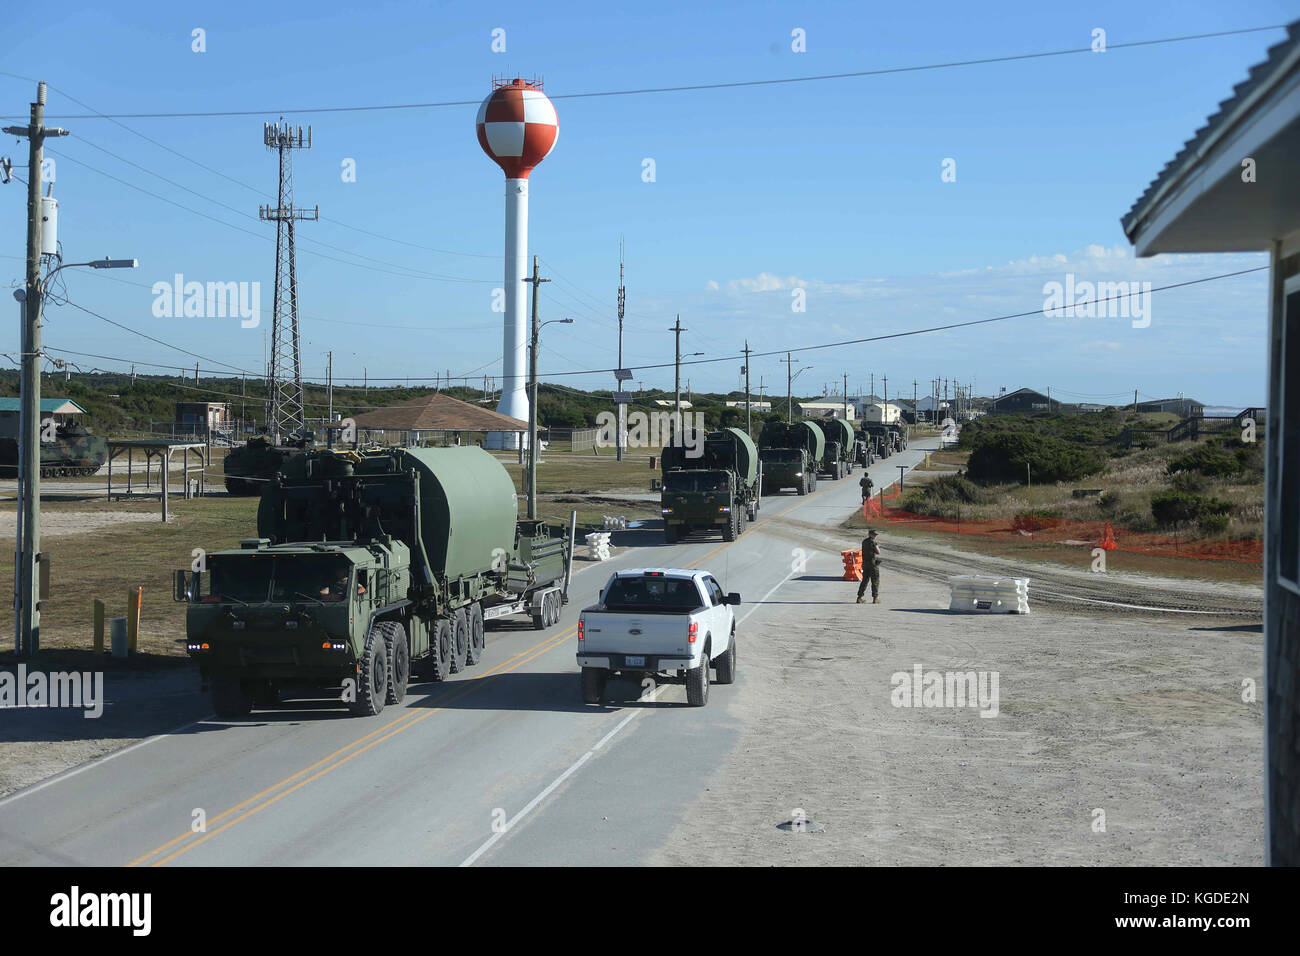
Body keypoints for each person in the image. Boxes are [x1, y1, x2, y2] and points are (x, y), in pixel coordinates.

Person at [856, 529, 881, 604]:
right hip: (872, 564)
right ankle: (875, 598)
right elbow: (878, 552)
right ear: (870, 534)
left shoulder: (864, 541)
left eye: (875, 535)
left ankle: (859, 597)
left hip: (865, 564)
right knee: (875, 581)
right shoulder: (873, 542)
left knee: (865, 581)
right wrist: (876, 545)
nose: (875, 536)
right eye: (874, 535)